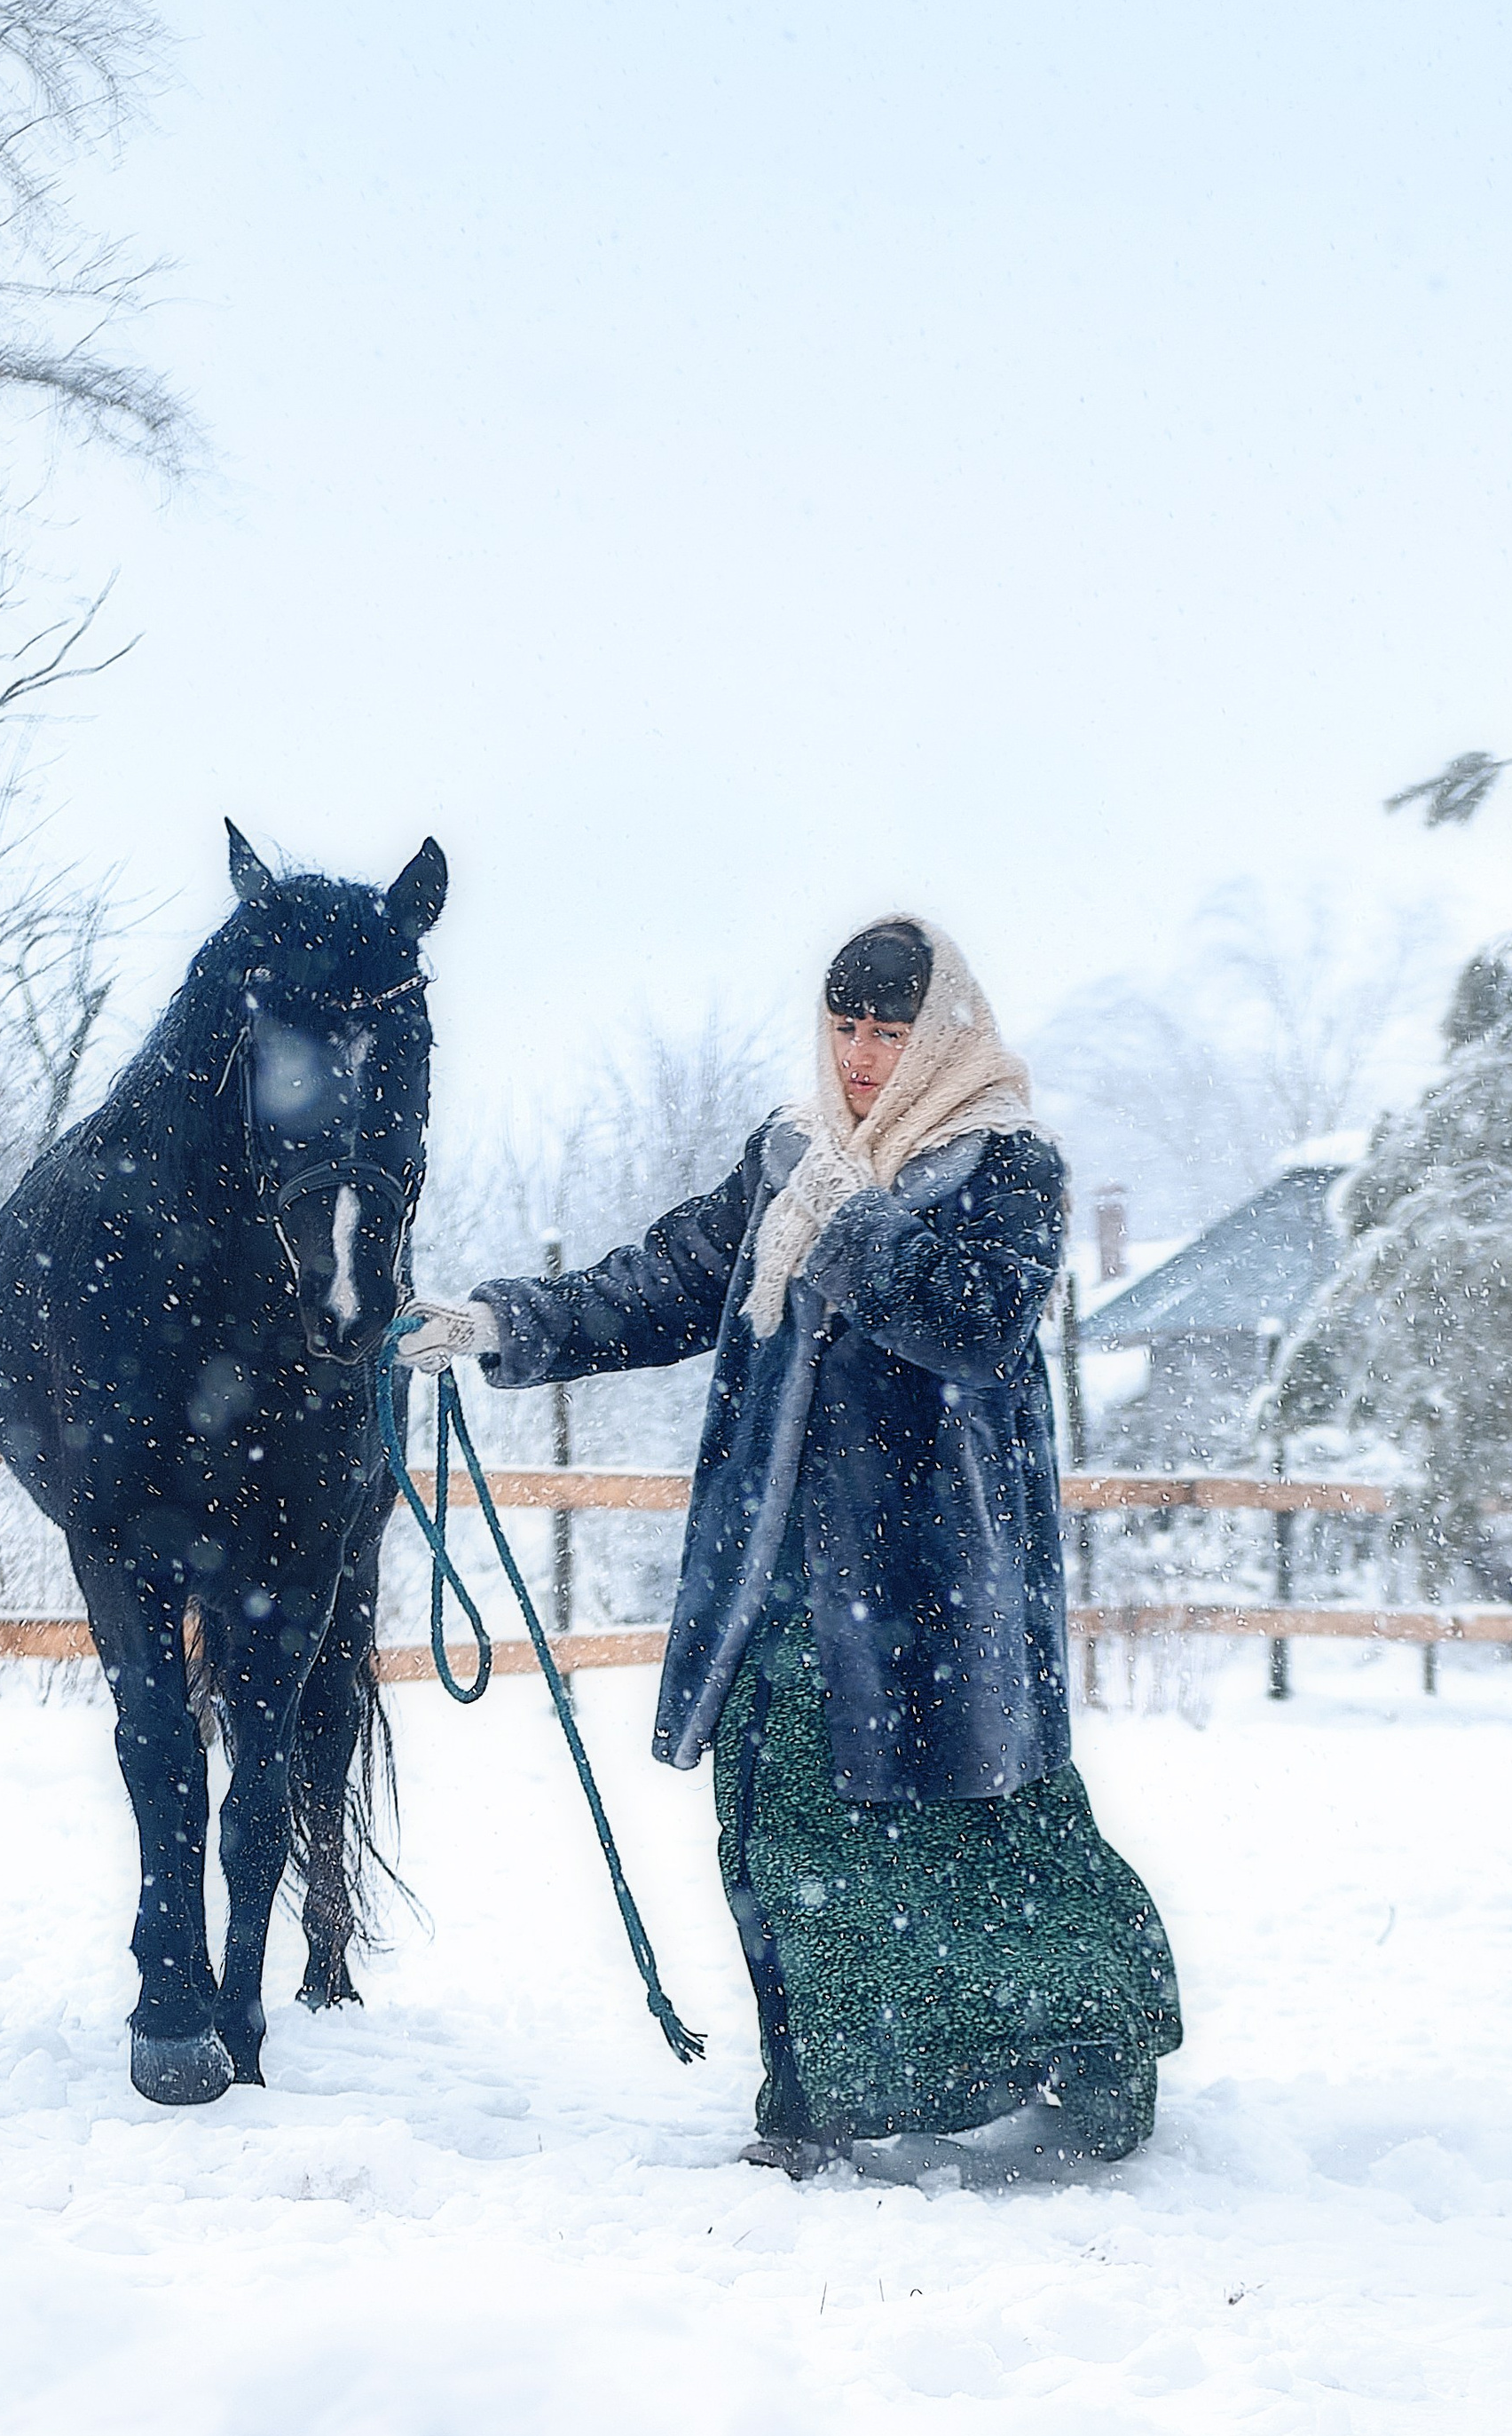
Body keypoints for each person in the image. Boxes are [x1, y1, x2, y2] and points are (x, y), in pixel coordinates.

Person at [399, 917, 1182, 2174]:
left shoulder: (1008, 1167)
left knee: (974, 1856)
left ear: (941, 1037)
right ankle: (810, 2091)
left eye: (891, 1031)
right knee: (774, 1840)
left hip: (936, 1595)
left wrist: (848, 1223)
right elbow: (661, 1282)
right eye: (847, 1028)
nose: (865, 1057)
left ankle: (1076, 2046)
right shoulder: (790, 1161)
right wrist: (503, 1323)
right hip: (776, 1579)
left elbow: (973, 1325)